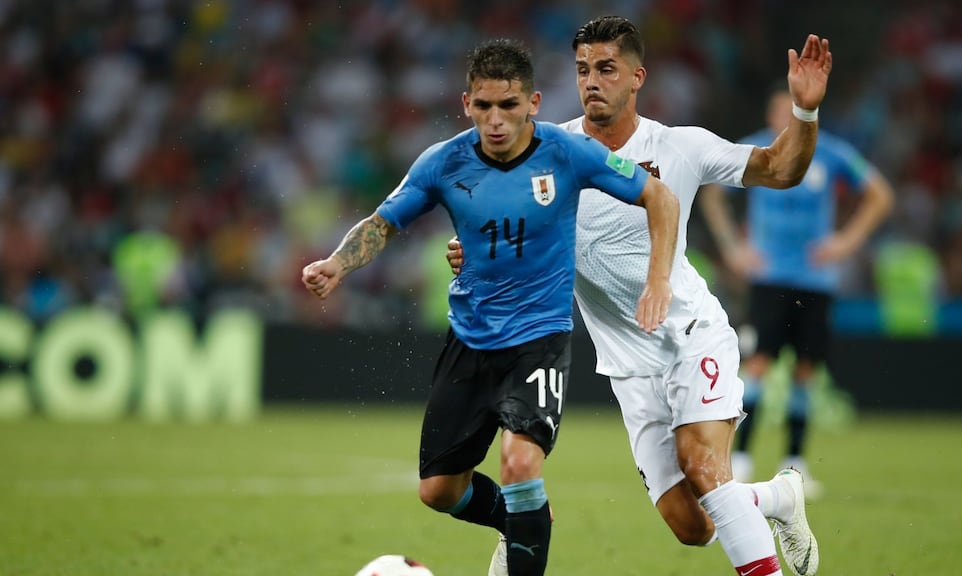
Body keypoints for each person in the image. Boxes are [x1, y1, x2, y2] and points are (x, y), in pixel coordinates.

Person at [447, 16, 830, 576]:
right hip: (629, 367)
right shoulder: (546, 154)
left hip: (691, 336)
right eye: (582, 70)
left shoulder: (680, 146)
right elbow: (508, 230)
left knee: (703, 465)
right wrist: (473, 250)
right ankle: (776, 498)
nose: (592, 81)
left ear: (637, 77)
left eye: (606, 68)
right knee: (693, 526)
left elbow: (781, 168)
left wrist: (804, 112)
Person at [301, 38, 681, 576]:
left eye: (508, 105)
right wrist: (337, 264)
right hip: (471, 340)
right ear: (466, 104)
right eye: (484, 106)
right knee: (438, 490)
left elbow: (660, 196)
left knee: (520, 462)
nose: (496, 120)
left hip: (539, 339)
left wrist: (657, 278)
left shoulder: (569, 153)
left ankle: (526, 531)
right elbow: (383, 223)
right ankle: (526, 524)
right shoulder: (444, 162)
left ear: (534, 103)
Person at [700, 82, 894, 495]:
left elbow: (879, 194)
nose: (784, 122)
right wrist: (734, 248)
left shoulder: (833, 154)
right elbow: (712, 193)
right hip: (768, 279)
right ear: (770, 118)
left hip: (815, 280)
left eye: (792, 115)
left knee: (807, 371)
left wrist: (847, 241)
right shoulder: (755, 150)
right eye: (778, 115)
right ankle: (742, 458)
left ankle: (794, 464)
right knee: (756, 366)